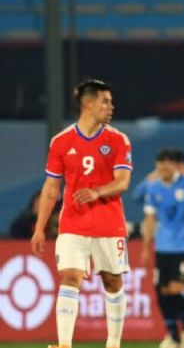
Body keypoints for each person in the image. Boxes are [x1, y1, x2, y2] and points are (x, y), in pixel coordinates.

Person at [31, 79, 132, 348]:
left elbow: (123, 181)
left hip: (109, 223)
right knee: (70, 276)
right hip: (73, 223)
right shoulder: (61, 142)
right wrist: (40, 227)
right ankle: (64, 344)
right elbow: (51, 189)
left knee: (112, 281)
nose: (111, 106)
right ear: (88, 104)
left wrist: (98, 192)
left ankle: (114, 343)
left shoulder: (117, 140)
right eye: (105, 101)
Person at [141, 148, 184, 348]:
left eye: (167, 164)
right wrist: (146, 247)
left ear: (174, 165)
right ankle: (173, 335)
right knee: (161, 291)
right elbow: (150, 219)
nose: (163, 169)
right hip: (163, 248)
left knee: (180, 289)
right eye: (160, 165)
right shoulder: (153, 188)